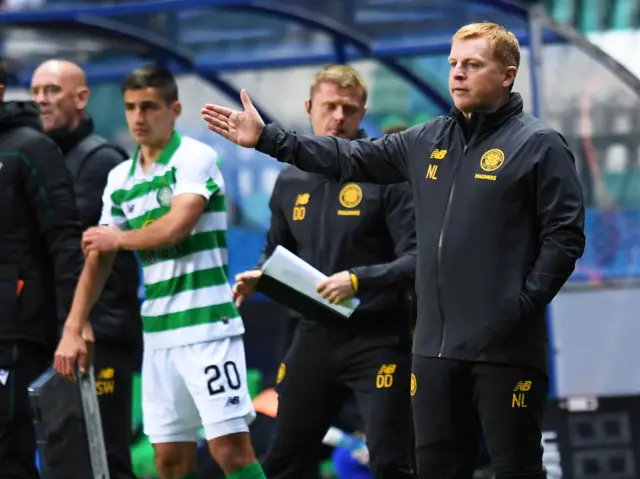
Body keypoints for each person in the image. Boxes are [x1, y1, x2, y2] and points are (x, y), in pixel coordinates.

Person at [201, 22, 587, 479]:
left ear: (507, 74)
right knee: (436, 469)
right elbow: (348, 158)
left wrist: (519, 305)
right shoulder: (426, 141)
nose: (458, 74)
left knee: (516, 470)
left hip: (504, 346)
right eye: (453, 64)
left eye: (473, 64)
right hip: (433, 350)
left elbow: (565, 236)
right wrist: (269, 140)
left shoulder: (538, 144)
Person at [54, 65, 266, 479]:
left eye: (149, 107)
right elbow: (98, 256)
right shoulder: (120, 178)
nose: (138, 117)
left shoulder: (195, 157)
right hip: (159, 334)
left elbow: (177, 226)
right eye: (131, 107)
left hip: (209, 328)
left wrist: (116, 239)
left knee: (231, 452)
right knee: (168, 460)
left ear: (174, 109)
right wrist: (73, 326)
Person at [231, 65, 417, 479]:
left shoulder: (388, 175)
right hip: (314, 334)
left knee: (390, 461)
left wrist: (356, 281)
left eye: (348, 109)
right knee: (284, 460)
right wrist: (260, 275)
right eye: (329, 106)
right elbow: (275, 251)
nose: (338, 117)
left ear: (363, 111)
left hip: (379, 337)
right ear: (309, 108)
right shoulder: (290, 180)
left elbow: (416, 260)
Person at [31, 59, 142, 479]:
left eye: (53, 90)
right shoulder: (44, 158)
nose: (42, 99)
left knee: (104, 455)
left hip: (99, 334)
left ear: (81, 97)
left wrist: (85, 324)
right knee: (67, 454)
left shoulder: (101, 162)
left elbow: (102, 256)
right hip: (64, 332)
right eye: (37, 90)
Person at [0, 57, 84, 477]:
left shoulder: (31, 147)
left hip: (16, 327)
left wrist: (72, 323)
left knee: (9, 451)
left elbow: (65, 241)